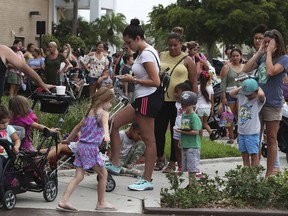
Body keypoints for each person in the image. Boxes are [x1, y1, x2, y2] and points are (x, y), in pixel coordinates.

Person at [105, 18, 162, 191]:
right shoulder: (145, 52)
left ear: (137, 38)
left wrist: (132, 79)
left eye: (129, 42)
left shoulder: (146, 54)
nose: (127, 46)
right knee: (112, 122)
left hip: (147, 99)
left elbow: (156, 81)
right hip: (140, 98)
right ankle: (115, 162)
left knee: (149, 140)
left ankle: (147, 179)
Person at [57, 87, 116, 212]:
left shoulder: (89, 112)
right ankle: (101, 202)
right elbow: (105, 123)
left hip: (80, 147)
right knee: (103, 173)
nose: (110, 105)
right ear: (104, 100)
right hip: (90, 148)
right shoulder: (103, 114)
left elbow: (77, 127)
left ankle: (64, 200)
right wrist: (106, 134)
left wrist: (68, 140)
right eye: (110, 102)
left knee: (79, 176)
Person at [242, 29, 288, 177]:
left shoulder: (284, 58)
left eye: (269, 42)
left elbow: (270, 72)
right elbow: (246, 68)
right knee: (256, 136)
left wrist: (268, 53)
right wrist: (260, 52)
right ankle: (254, 173)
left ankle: (269, 175)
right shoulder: (262, 57)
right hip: (258, 103)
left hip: (273, 103)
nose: (266, 44)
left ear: (277, 43)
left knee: (271, 137)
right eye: (264, 42)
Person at [154, 28, 198, 174]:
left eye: (175, 45)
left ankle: (173, 162)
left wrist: (193, 102)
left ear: (180, 44)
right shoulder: (161, 55)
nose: (172, 48)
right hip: (161, 99)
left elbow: (193, 82)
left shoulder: (187, 60)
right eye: (170, 45)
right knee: (158, 130)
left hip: (180, 103)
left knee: (176, 132)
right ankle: (160, 158)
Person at [229, 79, 265, 167]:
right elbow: (231, 93)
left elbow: (261, 94)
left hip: (252, 133)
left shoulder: (258, 100)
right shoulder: (242, 96)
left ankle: (254, 175)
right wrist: (243, 86)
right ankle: (247, 176)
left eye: (249, 94)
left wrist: (257, 87)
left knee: (253, 155)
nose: (247, 96)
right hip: (241, 132)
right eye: (246, 94)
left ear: (255, 91)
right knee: (244, 155)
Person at [174, 91, 202, 187]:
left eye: (186, 104)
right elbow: (185, 128)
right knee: (188, 167)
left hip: (193, 146)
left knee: (192, 168)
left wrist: (181, 132)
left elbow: (195, 131)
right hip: (185, 144)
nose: (184, 106)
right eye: (182, 104)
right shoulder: (184, 115)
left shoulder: (194, 117)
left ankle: (193, 185)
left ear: (192, 104)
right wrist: (181, 139)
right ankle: (191, 184)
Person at [220, 48, 246, 144]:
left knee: (242, 116)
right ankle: (231, 136)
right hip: (229, 94)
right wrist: (223, 97)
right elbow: (223, 83)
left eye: (237, 56)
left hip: (242, 94)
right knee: (229, 116)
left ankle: (240, 136)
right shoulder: (226, 67)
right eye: (233, 56)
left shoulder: (245, 66)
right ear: (230, 57)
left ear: (241, 56)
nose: (235, 58)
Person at [173, 80, 193, 172]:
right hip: (177, 128)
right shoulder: (177, 104)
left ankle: (190, 166)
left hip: (186, 127)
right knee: (177, 147)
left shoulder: (191, 105)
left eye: (177, 92)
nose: (175, 94)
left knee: (187, 148)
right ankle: (180, 166)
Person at [0, 105, 21, 179]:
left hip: (6, 155)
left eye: (7, 122)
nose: (5, 125)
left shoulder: (9, 129)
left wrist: (17, 146)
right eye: (2, 123)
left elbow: (17, 139)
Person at [196, 71, 214, 137]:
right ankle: (211, 134)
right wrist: (212, 109)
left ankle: (200, 138)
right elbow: (212, 100)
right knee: (205, 123)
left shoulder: (198, 87)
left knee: (200, 124)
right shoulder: (210, 88)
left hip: (200, 108)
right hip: (207, 108)